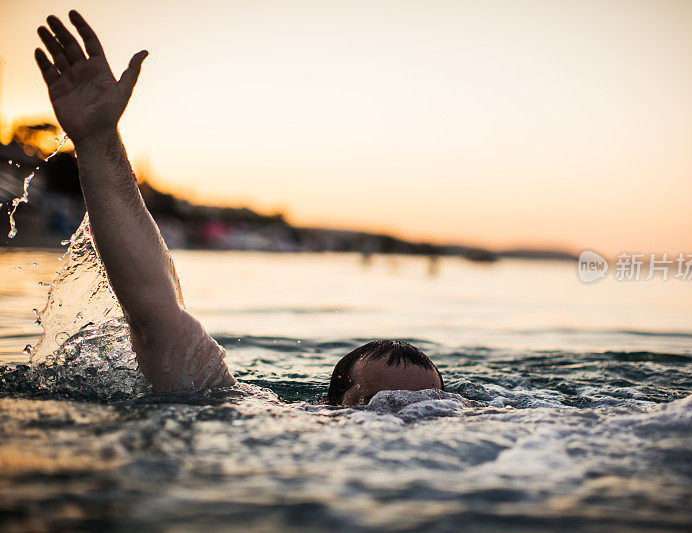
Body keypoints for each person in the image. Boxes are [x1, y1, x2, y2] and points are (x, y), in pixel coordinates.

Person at [34, 10, 444, 406]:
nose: (400, 415)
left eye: (421, 404)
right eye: (375, 402)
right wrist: (98, 141)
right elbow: (157, 315)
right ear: (328, 405)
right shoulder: (253, 412)